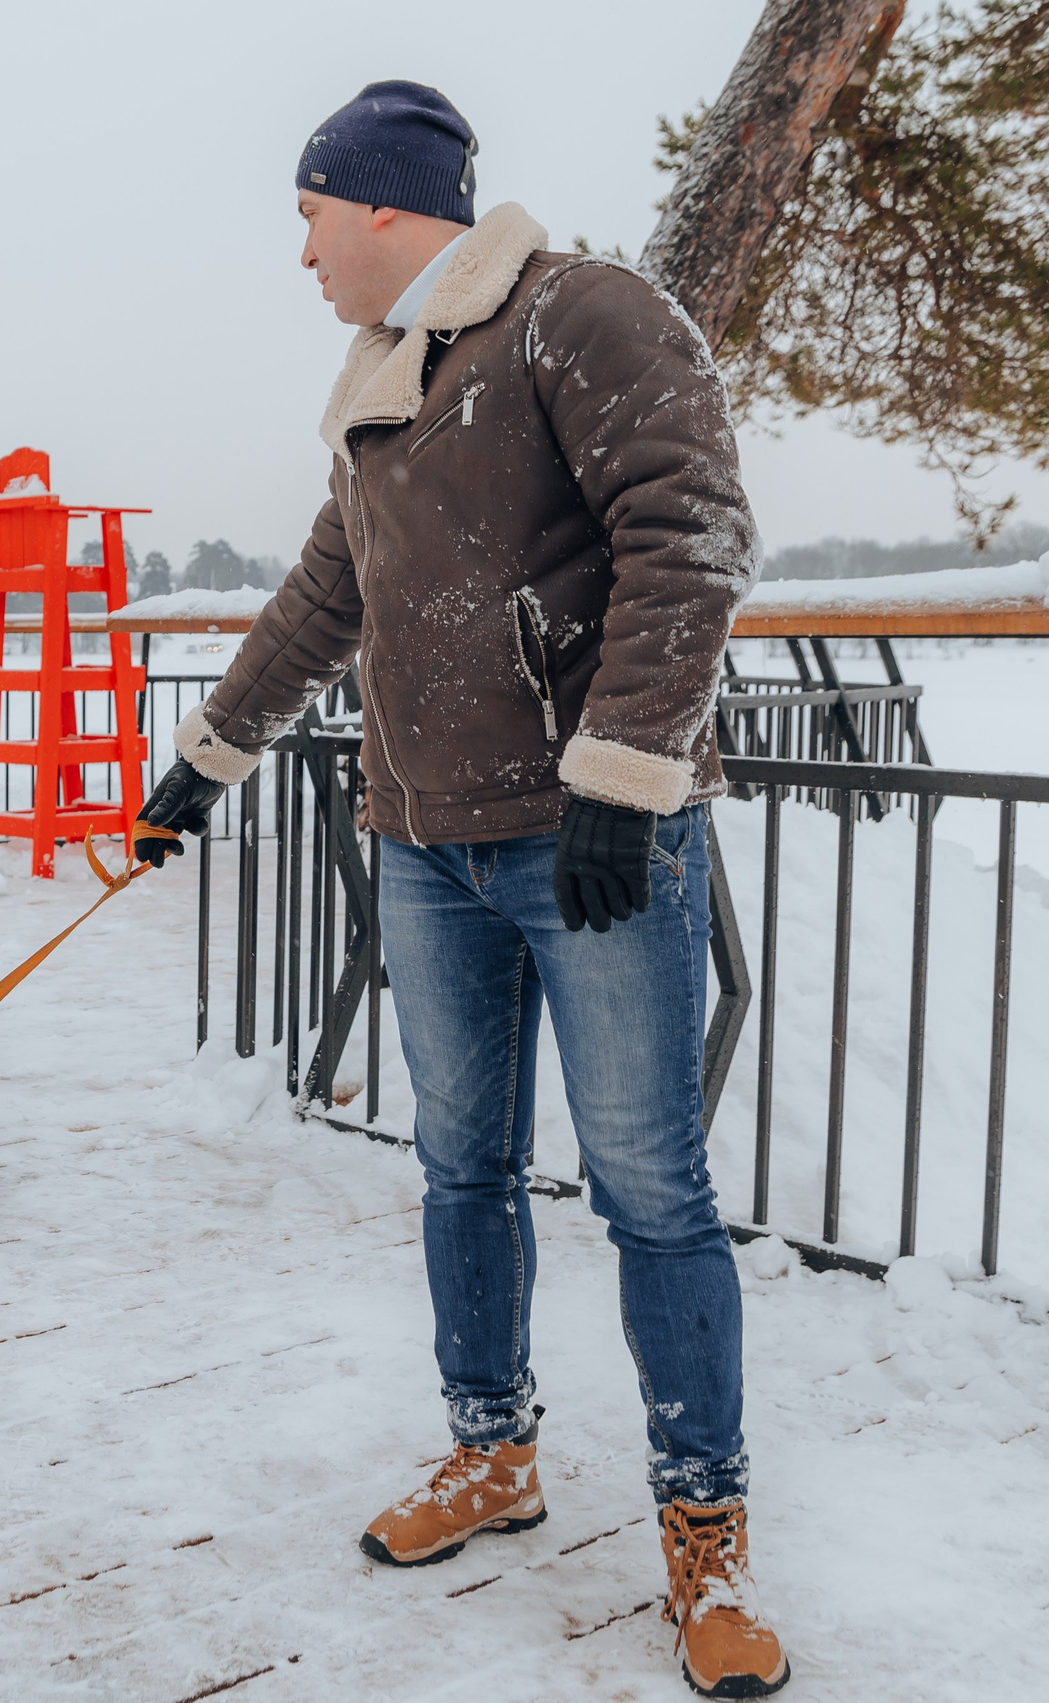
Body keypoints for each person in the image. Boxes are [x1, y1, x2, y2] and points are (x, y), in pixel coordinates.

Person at [132, 82, 783, 1700]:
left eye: (308, 217)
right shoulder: (381, 387)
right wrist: (201, 764)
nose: (300, 254)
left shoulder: (584, 313)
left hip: (592, 845)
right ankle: (491, 1449)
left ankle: (707, 1533)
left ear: (385, 205)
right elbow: (322, 598)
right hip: (423, 841)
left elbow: (689, 533)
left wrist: (626, 775)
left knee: (649, 1187)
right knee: (460, 1170)